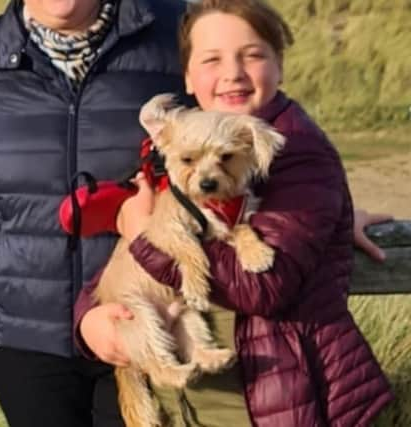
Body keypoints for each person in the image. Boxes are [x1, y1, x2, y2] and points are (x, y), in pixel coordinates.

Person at [76, 0, 394, 426]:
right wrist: (89, 319)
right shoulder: (184, 148)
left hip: (275, 400)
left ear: (280, 65)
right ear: (188, 76)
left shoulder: (299, 155)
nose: (233, 73)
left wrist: (147, 242)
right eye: (211, 59)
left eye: (253, 55)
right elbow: (123, 267)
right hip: (197, 401)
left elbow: (262, 287)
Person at [0, 0, 186, 425]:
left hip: (140, 318)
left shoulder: (175, 31)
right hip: (23, 336)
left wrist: (331, 208)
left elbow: (244, 126)